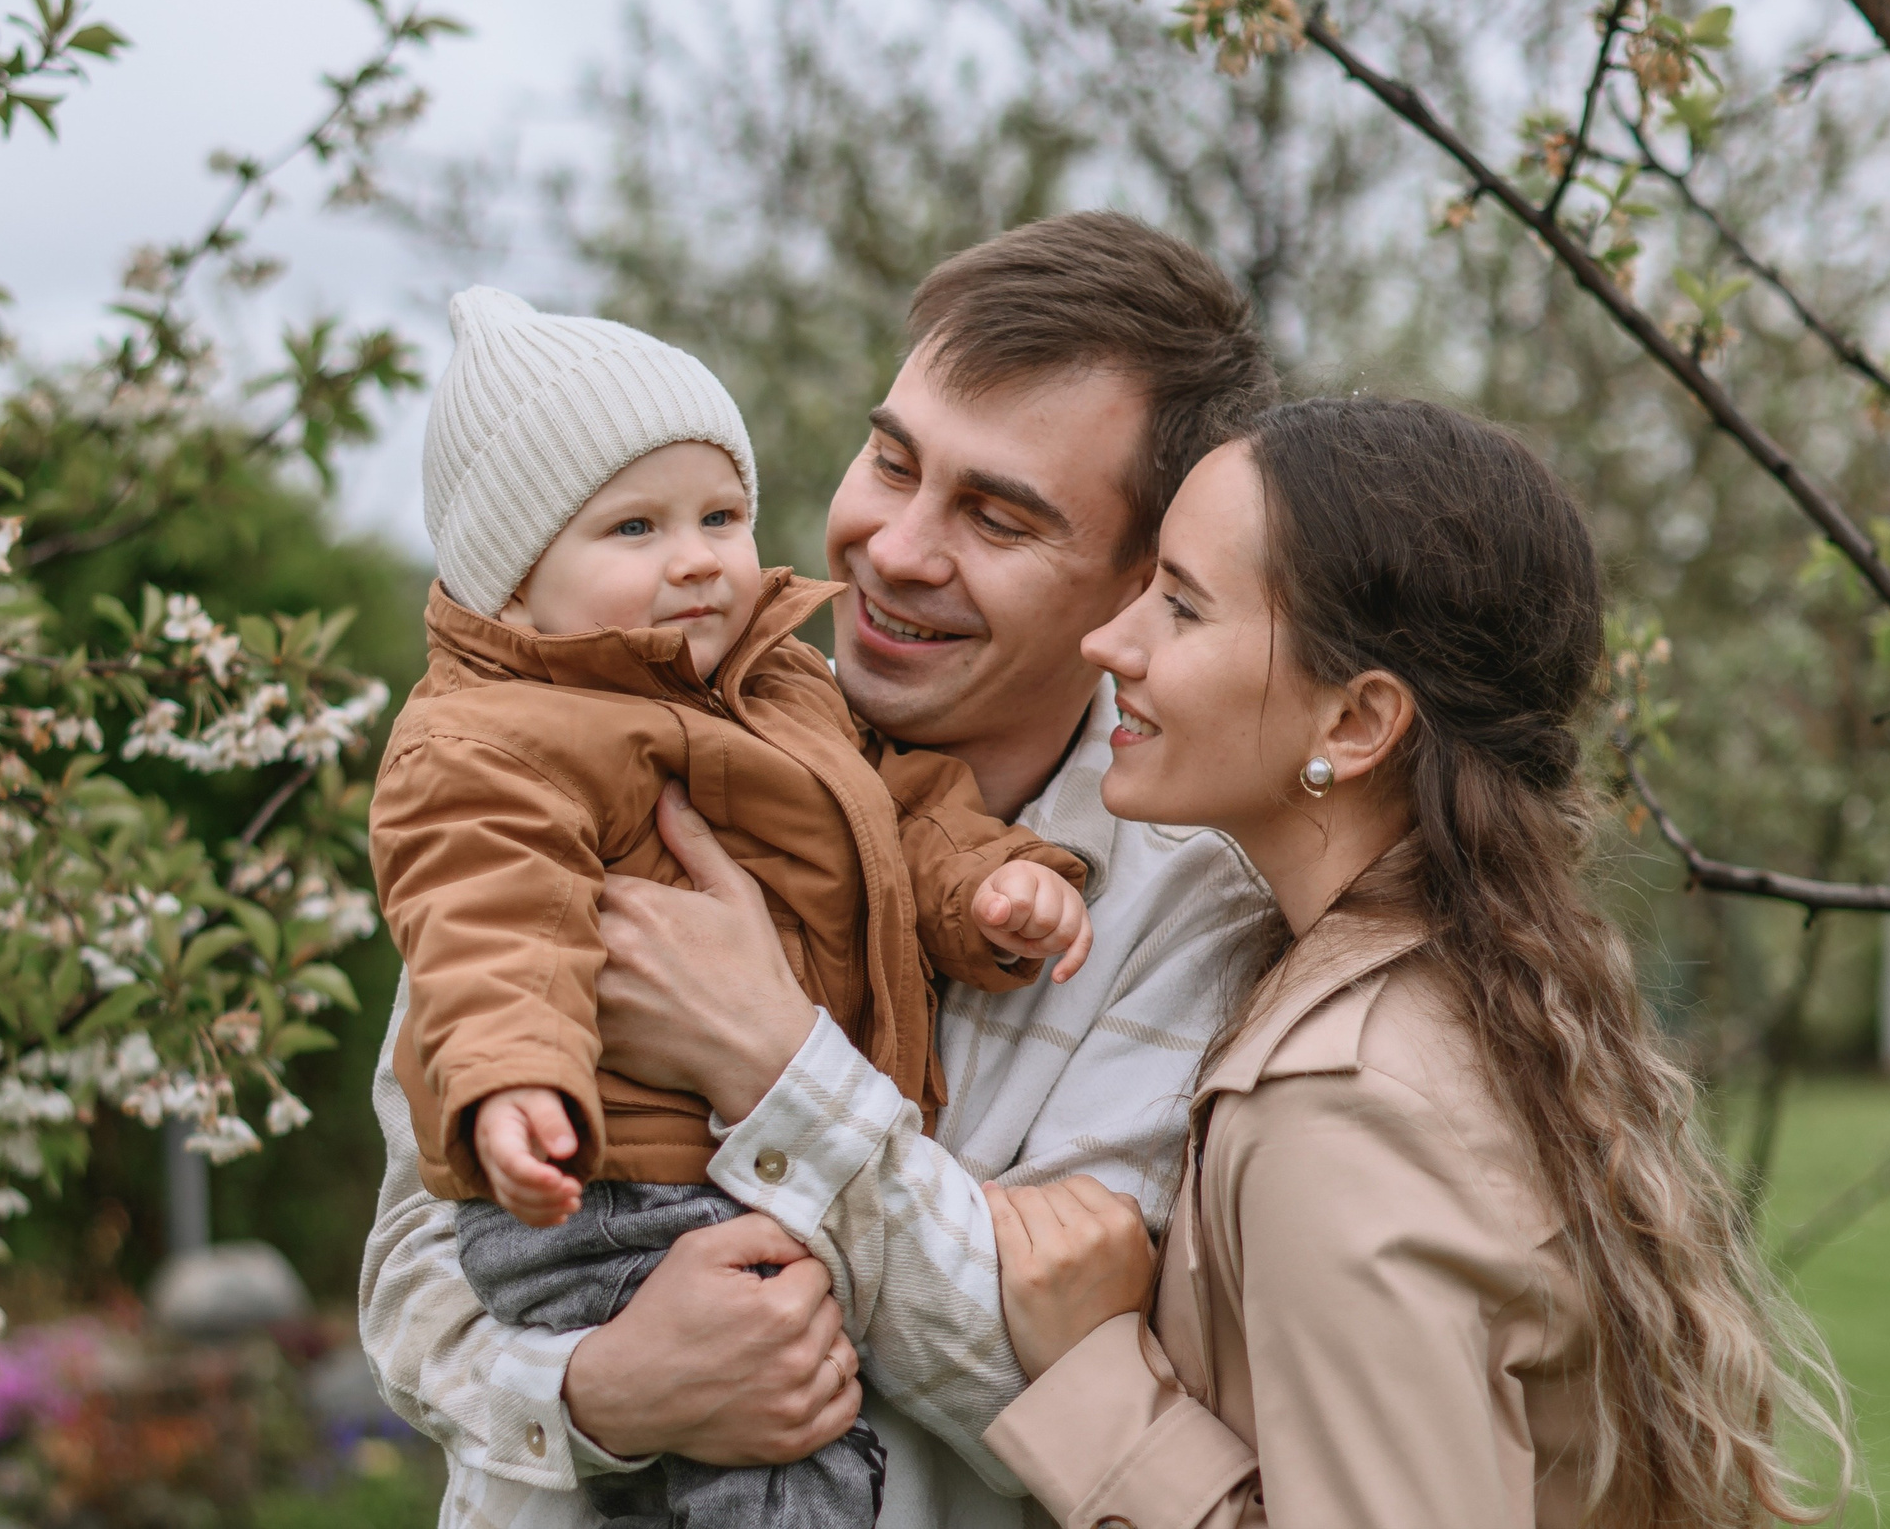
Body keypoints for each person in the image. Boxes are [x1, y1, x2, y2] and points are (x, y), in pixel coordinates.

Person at [358, 213, 1283, 1529]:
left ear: (1137, 580)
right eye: (891, 459)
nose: (896, 548)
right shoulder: (609, 752)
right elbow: (412, 1262)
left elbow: (1092, 1413)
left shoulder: (1189, 911)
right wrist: (604, 1387)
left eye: (998, 515)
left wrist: (771, 1058)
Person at [975, 398, 1855, 1527]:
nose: (1111, 641)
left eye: (1182, 606)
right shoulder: (1449, 983)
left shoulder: (1341, 1102)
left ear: (1354, 724)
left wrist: (1097, 1379)